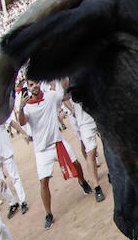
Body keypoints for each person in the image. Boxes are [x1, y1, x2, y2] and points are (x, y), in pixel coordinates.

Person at [15, 79, 92, 230]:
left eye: (36, 83)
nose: (34, 86)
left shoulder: (50, 96)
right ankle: (48, 213)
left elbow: (65, 96)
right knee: (44, 181)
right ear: (28, 88)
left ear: (39, 83)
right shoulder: (27, 106)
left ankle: (83, 182)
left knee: (76, 164)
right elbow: (22, 122)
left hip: (58, 142)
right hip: (42, 149)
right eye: (31, 85)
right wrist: (21, 108)